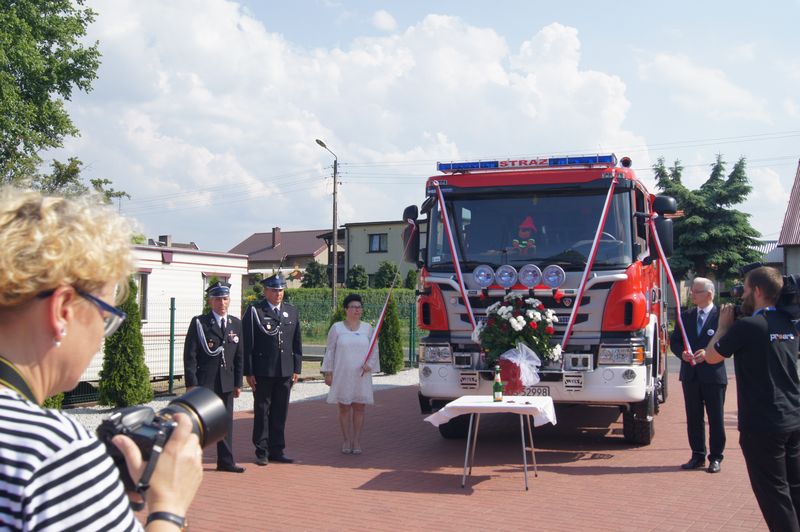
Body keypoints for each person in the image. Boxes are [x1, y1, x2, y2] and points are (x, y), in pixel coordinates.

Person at [0, 187, 202, 531]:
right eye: (105, 316)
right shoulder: (53, 452)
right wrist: (168, 506)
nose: (99, 340)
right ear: (63, 309)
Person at [695, 266, 800, 531]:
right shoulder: (789, 324)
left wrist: (721, 327)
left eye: (744, 288)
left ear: (758, 290)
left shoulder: (748, 326)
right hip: (793, 418)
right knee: (794, 490)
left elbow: (710, 357)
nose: (740, 295)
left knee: (774, 495)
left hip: (763, 425)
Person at [183, 281, 245, 473]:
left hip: (226, 381)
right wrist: (191, 383)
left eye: (225, 298)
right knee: (200, 424)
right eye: (217, 299)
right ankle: (190, 461)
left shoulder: (235, 323)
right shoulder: (200, 323)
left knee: (225, 423)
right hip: (205, 382)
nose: (222, 303)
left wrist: (237, 382)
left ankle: (226, 461)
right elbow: (190, 355)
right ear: (210, 302)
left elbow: (239, 355)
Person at [243, 272, 302, 466]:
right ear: (266, 291)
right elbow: (248, 344)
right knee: (262, 411)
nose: (278, 294)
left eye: (281, 290)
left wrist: (297, 368)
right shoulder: (255, 311)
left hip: (285, 370)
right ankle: (262, 450)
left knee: (280, 411)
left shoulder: (291, 311)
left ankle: (277, 449)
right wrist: (248, 372)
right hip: (263, 371)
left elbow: (296, 342)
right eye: (274, 290)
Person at [669, 277, 726, 474]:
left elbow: (728, 342)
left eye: (696, 291)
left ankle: (716, 457)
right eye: (692, 290)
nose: (691, 293)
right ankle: (697, 455)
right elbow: (674, 341)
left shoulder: (722, 316)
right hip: (690, 375)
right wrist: (681, 354)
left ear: (709, 294)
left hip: (713, 375)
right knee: (694, 417)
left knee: (715, 418)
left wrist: (710, 352)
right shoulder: (685, 316)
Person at [321, 294, 380, 455]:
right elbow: (330, 351)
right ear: (346, 309)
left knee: (359, 407)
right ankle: (346, 440)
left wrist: (370, 365)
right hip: (342, 374)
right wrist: (328, 372)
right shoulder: (337, 328)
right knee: (344, 407)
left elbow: (374, 349)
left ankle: (357, 441)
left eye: (359, 307)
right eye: (353, 307)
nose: (357, 310)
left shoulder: (368, 328)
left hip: (361, 375)